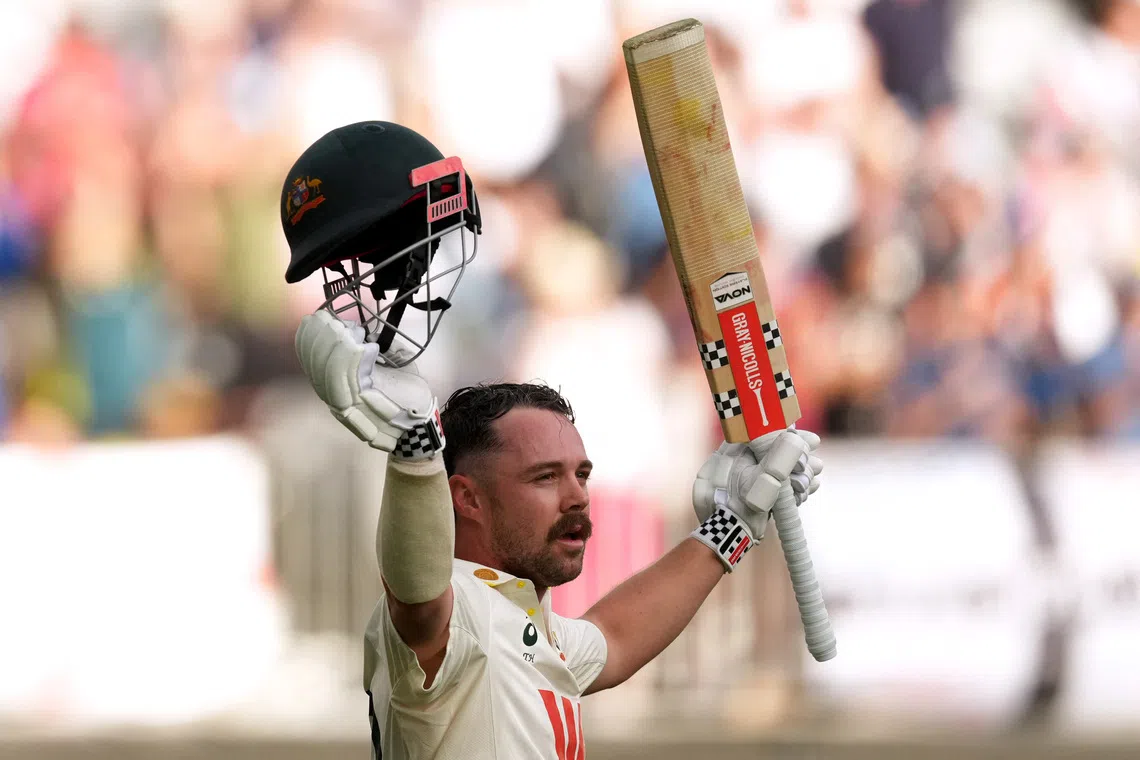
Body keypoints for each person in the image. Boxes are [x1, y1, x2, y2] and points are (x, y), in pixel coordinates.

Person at [282, 121, 824, 760]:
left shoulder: (521, 623)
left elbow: (615, 638)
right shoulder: (452, 622)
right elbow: (419, 597)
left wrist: (731, 528)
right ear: (467, 499)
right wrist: (413, 453)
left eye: (581, 475)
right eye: (544, 478)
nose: (576, 497)